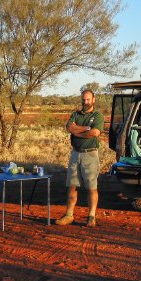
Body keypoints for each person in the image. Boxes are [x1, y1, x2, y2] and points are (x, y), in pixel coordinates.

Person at [56, 89, 105, 228]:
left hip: (90, 154)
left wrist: (78, 131)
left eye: (88, 99)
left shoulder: (97, 115)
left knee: (91, 187)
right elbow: (69, 128)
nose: (85, 102)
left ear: (94, 99)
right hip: (75, 153)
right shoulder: (75, 114)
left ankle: (91, 217)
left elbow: (95, 132)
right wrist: (85, 129)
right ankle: (69, 215)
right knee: (72, 185)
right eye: (83, 99)